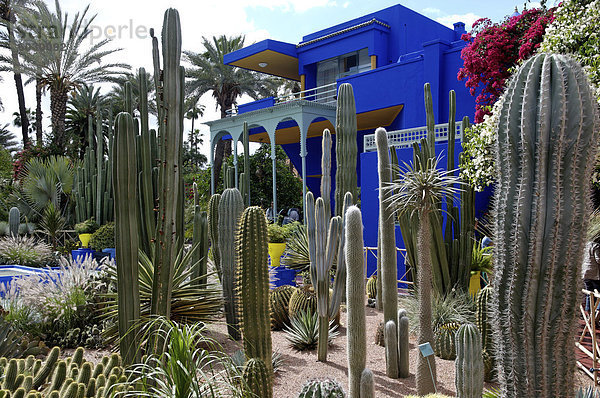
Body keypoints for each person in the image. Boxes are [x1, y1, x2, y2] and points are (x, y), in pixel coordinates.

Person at [582, 239, 600, 316]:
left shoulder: (585, 246)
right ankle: (596, 314)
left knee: (589, 294)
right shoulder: (596, 246)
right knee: (598, 294)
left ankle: (589, 313)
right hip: (594, 274)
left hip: (585, 273)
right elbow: (598, 259)